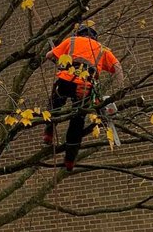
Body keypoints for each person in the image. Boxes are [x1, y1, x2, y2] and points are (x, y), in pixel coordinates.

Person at [43, 23, 123, 170]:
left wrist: (59, 60)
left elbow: (49, 55)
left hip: (66, 81)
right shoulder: (102, 49)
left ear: (78, 34)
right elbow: (117, 66)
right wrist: (120, 88)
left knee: (56, 102)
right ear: (94, 37)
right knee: (77, 121)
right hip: (85, 87)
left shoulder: (71, 41)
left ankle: (48, 131)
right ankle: (70, 159)